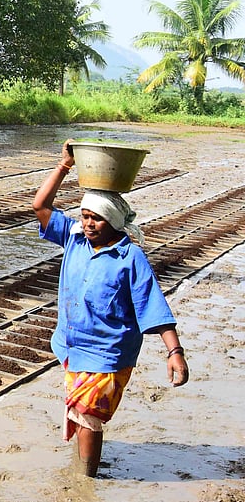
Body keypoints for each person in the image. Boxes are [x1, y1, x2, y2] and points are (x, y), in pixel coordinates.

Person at [32, 141, 189, 477]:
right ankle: (84, 469)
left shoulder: (130, 258)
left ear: (115, 223)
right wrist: (64, 166)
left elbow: (153, 305)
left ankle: (86, 483)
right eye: (85, 216)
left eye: (97, 219)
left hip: (108, 352)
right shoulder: (74, 239)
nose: (89, 224)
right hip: (72, 346)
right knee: (80, 413)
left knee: (88, 416)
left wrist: (174, 352)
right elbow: (40, 206)